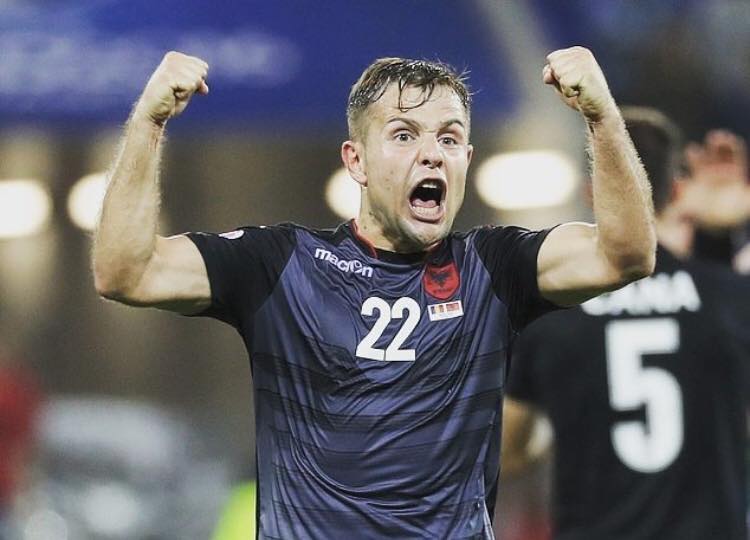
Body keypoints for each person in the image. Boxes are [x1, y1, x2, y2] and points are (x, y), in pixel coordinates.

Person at [92, 47, 656, 538]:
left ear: (466, 161)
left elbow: (626, 253)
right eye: (404, 135)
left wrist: (602, 116)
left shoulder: (495, 268)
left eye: (449, 138)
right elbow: (125, 271)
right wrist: (148, 124)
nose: (431, 153)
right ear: (356, 160)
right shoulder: (281, 264)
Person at [502, 110, 750, 540]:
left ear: (592, 193)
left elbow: (508, 452)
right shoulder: (730, 298)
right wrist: (722, 238)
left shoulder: (548, 312)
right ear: (678, 191)